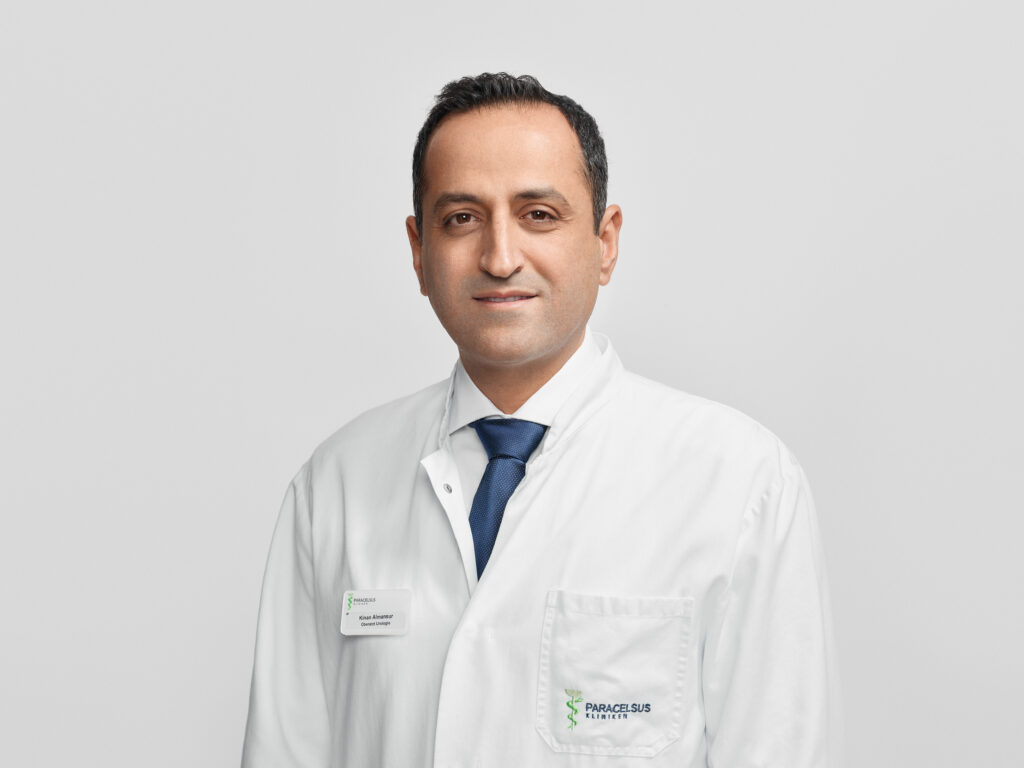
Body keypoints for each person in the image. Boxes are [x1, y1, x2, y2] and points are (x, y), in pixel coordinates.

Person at [240, 72, 843, 767]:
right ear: (418, 251)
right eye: (461, 218)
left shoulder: (739, 484)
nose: (500, 258)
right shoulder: (336, 485)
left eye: (539, 214)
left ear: (605, 241)